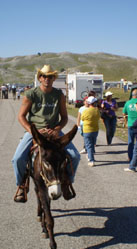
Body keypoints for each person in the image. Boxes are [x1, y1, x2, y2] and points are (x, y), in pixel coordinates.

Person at [12, 65, 80, 202]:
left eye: (50, 76)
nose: (46, 79)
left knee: (75, 156)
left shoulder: (59, 95)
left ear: (53, 78)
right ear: (39, 78)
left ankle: (67, 183)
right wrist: (33, 131)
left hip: (54, 131)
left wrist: (57, 129)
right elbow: (21, 116)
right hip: (35, 131)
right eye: (44, 76)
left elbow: (65, 117)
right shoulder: (31, 94)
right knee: (18, 158)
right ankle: (21, 186)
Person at [81, 96, 100, 167]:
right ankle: (90, 154)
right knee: (92, 143)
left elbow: (82, 118)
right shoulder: (97, 110)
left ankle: (91, 160)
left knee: (88, 145)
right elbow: (98, 117)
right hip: (95, 130)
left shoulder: (85, 111)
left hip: (87, 130)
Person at [123, 90, 137, 161]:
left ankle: (130, 156)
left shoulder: (128, 103)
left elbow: (124, 113)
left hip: (130, 123)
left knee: (130, 141)